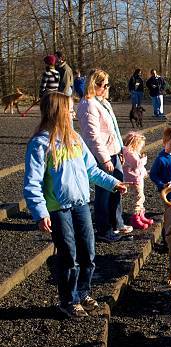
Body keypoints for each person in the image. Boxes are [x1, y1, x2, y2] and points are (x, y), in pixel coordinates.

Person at [23, 92, 128, 318]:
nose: (73, 113)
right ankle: (69, 300)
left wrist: (113, 183)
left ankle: (83, 292)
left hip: (81, 205)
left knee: (88, 252)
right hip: (58, 208)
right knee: (68, 255)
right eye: (70, 110)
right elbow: (32, 183)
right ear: (58, 112)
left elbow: (91, 170)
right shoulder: (41, 144)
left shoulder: (76, 139)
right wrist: (40, 212)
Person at [77, 69, 133, 243]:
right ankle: (104, 228)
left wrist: (120, 150)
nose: (108, 88)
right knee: (104, 193)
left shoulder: (102, 102)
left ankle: (116, 222)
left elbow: (113, 130)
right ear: (96, 85)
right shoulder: (88, 105)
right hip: (103, 155)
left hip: (113, 151)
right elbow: (93, 136)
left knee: (116, 187)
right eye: (106, 85)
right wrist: (105, 158)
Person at [122, 131, 154, 229]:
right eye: (140, 145)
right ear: (135, 144)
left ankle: (141, 215)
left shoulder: (132, 152)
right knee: (138, 198)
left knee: (141, 197)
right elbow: (136, 164)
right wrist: (144, 160)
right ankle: (135, 218)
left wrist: (144, 172)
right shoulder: (128, 152)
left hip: (137, 178)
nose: (141, 148)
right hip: (134, 179)